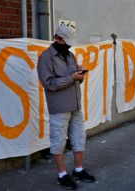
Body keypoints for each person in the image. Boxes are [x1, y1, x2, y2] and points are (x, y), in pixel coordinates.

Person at [37, 25, 95, 190]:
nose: (69, 46)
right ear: (57, 38)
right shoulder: (46, 57)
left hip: (75, 104)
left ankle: (78, 170)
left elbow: (76, 80)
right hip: (59, 107)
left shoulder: (70, 55)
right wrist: (71, 77)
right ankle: (62, 175)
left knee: (79, 138)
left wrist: (80, 74)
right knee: (58, 141)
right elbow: (48, 83)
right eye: (66, 42)